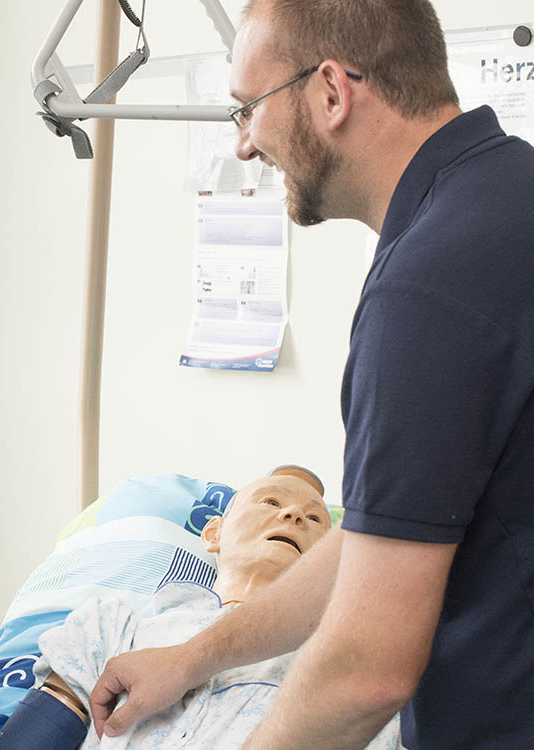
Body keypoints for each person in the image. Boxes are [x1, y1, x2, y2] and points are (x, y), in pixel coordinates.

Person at [88, 1, 534, 748]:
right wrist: (196, 657)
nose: (242, 145)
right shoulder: (505, 194)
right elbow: (385, 537)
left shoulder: (427, 289)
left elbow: (369, 672)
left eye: (247, 109)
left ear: (331, 91)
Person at [0, 472, 398, 749]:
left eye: (314, 518)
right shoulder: (109, 630)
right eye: (270, 502)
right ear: (213, 533)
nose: (293, 515)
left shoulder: (357, 668)